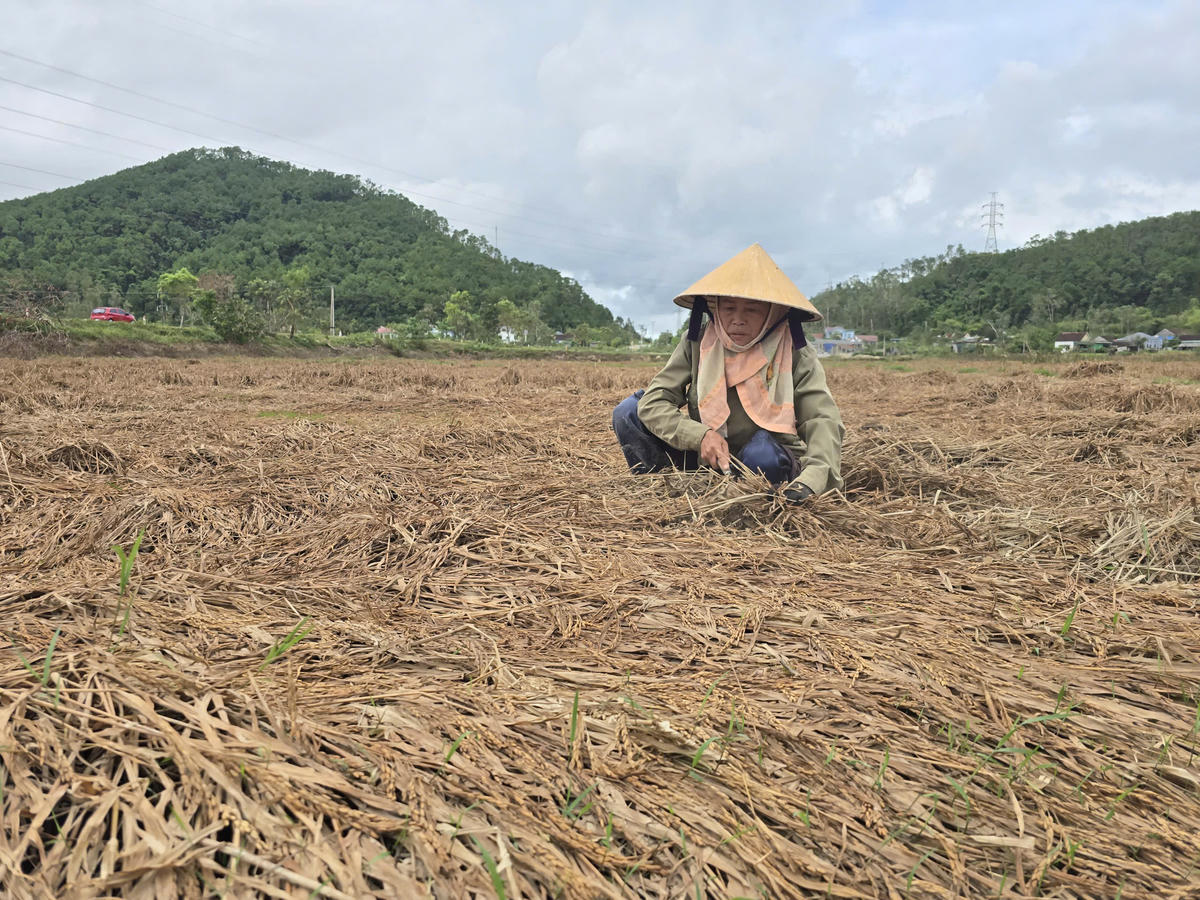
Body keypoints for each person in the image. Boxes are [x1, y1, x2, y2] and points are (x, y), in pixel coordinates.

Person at [612, 243, 844, 502]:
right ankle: (665, 498)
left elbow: (822, 419)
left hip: (764, 460)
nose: (738, 319)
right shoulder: (698, 343)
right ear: (715, 309)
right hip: (706, 456)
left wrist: (813, 478)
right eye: (729, 308)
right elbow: (654, 403)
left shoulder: (796, 352)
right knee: (628, 412)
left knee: (762, 454)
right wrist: (699, 436)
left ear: (773, 312)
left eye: (752, 310)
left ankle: (755, 502)